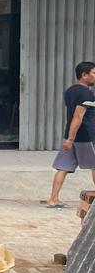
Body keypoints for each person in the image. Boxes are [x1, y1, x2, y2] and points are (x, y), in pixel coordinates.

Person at [43, 60, 95, 208]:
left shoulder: (70, 90)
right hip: (85, 136)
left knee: (63, 167)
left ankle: (53, 199)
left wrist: (69, 139)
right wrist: (71, 139)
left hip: (70, 136)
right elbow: (78, 117)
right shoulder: (87, 94)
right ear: (84, 75)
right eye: (93, 73)